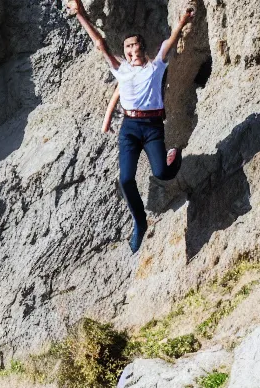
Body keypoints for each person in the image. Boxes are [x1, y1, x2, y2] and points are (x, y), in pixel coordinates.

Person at [67, 0, 195, 253]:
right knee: (126, 179)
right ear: (124, 51)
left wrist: (181, 22)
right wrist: (80, 14)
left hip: (152, 126)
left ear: (143, 47)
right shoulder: (120, 69)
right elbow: (100, 44)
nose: (131, 49)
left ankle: (175, 154)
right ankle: (139, 222)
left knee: (163, 173)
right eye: (127, 46)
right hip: (129, 128)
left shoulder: (156, 66)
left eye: (135, 44)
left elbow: (169, 44)